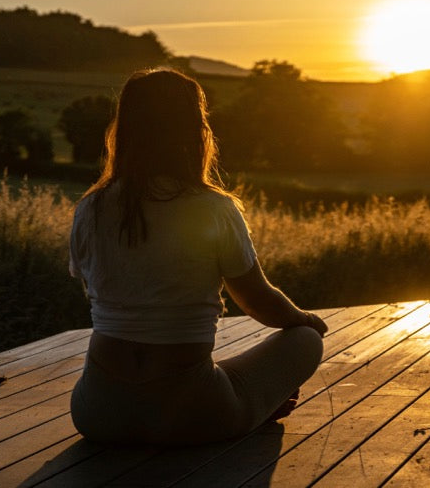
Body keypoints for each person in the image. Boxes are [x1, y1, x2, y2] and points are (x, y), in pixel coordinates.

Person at [67, 68, 327, 446]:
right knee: (305, 340)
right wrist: (306, 320)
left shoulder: (90, 208)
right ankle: (254, 407)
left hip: (97, 412)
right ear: (195, 131)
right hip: (189, 413)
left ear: (124, 130)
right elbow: (258, 301)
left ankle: (239, 400)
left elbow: (96, 286)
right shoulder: (212, 208)